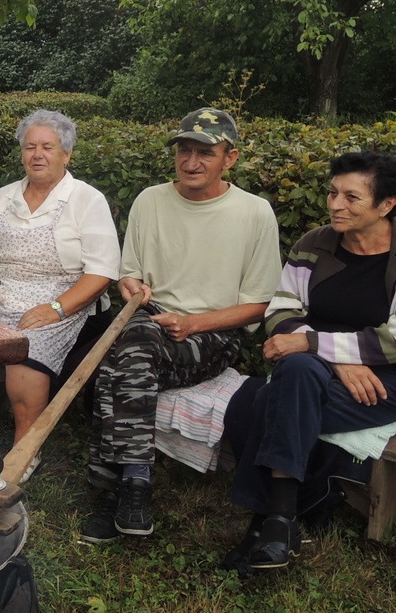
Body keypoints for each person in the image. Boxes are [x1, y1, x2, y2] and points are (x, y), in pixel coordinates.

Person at [226, 151, 396, 571]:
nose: (335, 205)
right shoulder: (314, 244)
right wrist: (333, 357)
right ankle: (281, 522)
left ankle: (267, 521)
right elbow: (280, 311)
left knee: (264, 400)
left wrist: (311, 343)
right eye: (332, 193)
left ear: (387, 204)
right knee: (295, 375)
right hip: (313, 371)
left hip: (384, 383)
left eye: (351, 197)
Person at [80, 106, 281, 545]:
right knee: (130, 349)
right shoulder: (150, 200)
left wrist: (192, 324)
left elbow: (260, 305)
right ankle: (131, 487)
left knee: (119, 359)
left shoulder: (254, 213)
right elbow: (128, 274)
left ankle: (116, 490)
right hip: (149, 320)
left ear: (230, 158)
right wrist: (132, 288)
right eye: (184, 150)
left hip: (212, 334)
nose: (191, 162)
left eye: (205, 153)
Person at [0, 110, 120, 477]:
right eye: (30, 147)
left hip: (61, 302)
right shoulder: (2, 197)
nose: (37, 155)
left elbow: (102, 272)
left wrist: (55, 309)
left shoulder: (86, 200)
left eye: (48, 147)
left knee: (24, 359)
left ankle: (25, 448)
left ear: (66, 154)